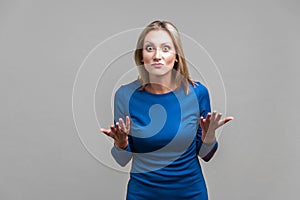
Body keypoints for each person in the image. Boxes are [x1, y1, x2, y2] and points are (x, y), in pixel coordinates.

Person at [101, 20, 233, 200]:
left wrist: (208, 137)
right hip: (143, 194)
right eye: (149, 48)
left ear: (177, 56)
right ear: (141, 57)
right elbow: (121, 159)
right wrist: (121, 144)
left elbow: (206, 155)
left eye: (165, 48)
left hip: (190, 193)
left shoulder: (197, 93)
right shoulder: (125, 95)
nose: (157, 56)